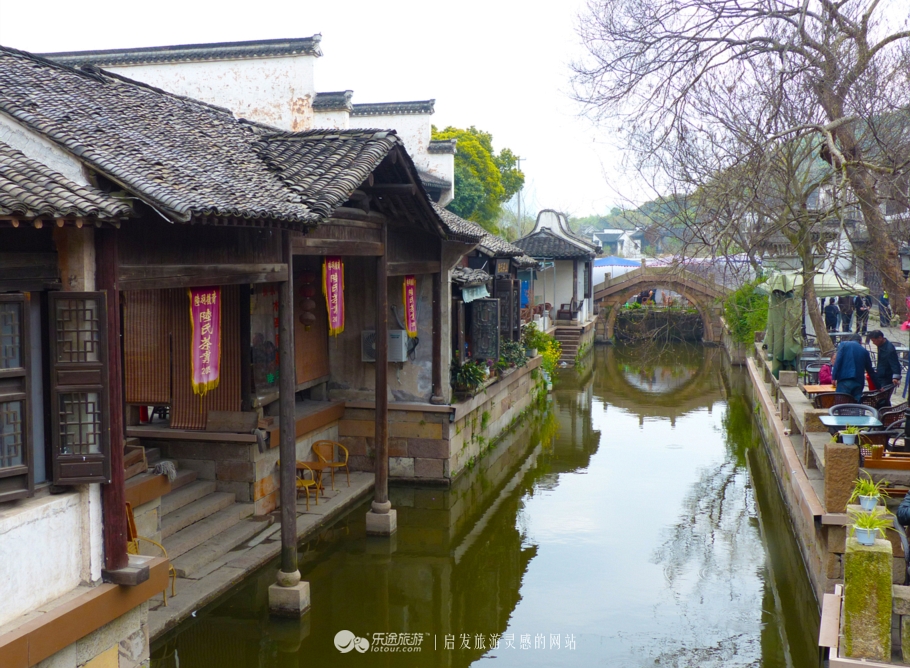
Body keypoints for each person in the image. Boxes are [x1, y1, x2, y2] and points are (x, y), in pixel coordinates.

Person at [831, 333, 875, 402]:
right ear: (860, 341)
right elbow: (870, 370)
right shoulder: (864, 351)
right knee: (856, 405)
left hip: (844, 379)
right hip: (859, 382)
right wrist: (878, 386)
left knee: (841, 404)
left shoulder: (843, 345)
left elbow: (838, 361)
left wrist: (834, 377)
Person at [867, 330, 902, 394]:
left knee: (883, 396)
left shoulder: (889, 349)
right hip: (881, 374)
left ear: (880, 338)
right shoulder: (881, 345)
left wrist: (896, 377)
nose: (873, 343)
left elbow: (895, 363)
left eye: (874, 340)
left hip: (886, 377)